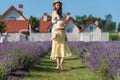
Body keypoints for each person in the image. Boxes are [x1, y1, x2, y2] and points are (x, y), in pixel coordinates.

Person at [50, 0, 72, 70]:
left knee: (62, 48)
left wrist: (65, 35)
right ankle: (58, 65)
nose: (58, 6)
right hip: (57, 31)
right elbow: (53, 22)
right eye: (57, 5)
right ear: (54, 6)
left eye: (59, 5)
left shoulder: (60, 13)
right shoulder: (54, 12)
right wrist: (57, 19)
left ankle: (60, 64)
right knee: (57, 47)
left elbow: (62, 23)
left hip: (62, 32)